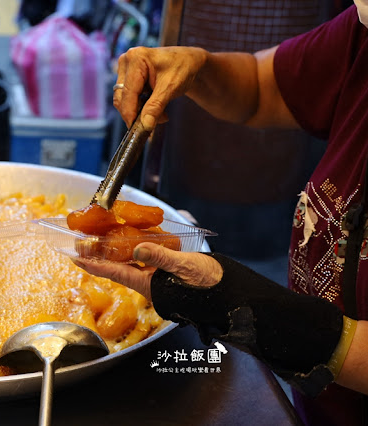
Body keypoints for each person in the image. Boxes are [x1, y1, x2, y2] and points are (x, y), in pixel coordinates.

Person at [73, 4, 368, 425]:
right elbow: (260, 87)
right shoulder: (362, 32)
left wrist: (257, 311)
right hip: (316, 404)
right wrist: (199, 67)